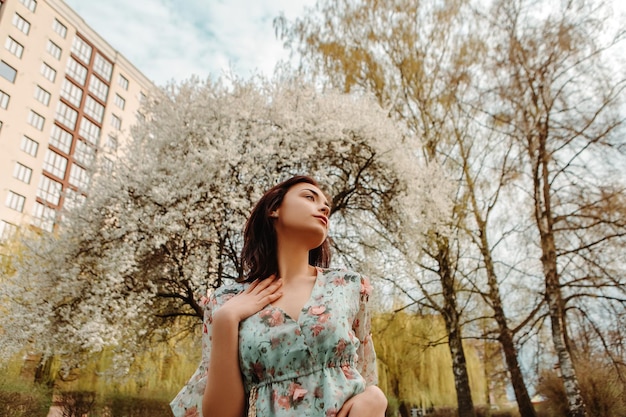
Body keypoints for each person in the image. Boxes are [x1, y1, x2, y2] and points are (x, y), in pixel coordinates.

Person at [170, 175, 387, 417]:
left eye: (326, 204)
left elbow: (366, 377)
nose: (324, 207)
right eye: (309, 197)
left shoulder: (348, 286)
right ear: (274, 209)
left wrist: (375, 399)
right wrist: (227, 319)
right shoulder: (225, 301)